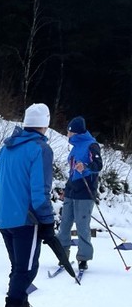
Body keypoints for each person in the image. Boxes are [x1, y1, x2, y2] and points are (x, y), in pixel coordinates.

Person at [0, 103, 56, 307]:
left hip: (6, 217)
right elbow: (40, 191)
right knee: (27, 269)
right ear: (45, 124)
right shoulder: (39, 149)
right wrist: (47, 220)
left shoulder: (7, 148)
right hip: (26, 219)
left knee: (19, 268)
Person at [56, 116, 103, 271]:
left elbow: (98, 165)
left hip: (85, 190)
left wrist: (87, 166)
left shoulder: (92, 145)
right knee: (64, 225)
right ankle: (63, 256)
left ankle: (83, 258)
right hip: (72, 189)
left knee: (82, 226)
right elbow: (72, 170)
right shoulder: (75, 146)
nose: (67, 134)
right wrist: (67, 187)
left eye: (69, 131)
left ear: (75, 132)